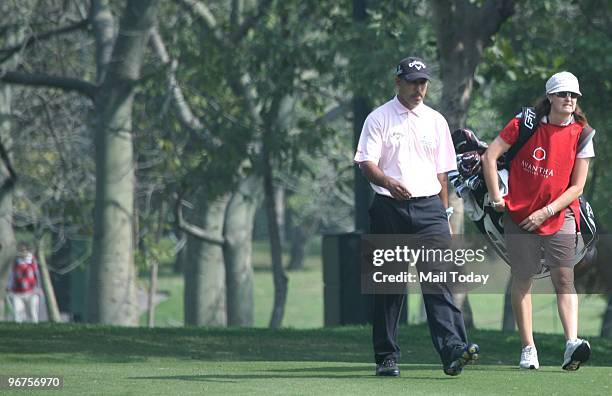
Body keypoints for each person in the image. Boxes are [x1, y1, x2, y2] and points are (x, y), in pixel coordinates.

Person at [354, 56, 479, 377]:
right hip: (388, 209)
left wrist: (445, 214)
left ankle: (453, 350)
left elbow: (441, 175)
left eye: (423, 83)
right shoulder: (378, 118)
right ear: (398, 82)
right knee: (390, 287)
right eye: (412, 82)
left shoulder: (436, 121)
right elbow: (366, 162)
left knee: (438, 281)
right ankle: (386, 357)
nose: (418, 88)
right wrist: (387, 182)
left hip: (430, 211)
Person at [482, 71, 594, 371]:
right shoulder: (524, 124)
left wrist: (547, 211)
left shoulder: (582, 134)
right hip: (518, 215)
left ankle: (572, 344)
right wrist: (496, 198)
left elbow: (577, 187)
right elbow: (490, 156)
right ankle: (528, 348)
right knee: (524, 278)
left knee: (564, 279)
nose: (568, 99)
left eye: (573, 95)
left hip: (559, 215)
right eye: (562, 94)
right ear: (550, 97)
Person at [6, 244, 41, 323]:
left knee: (32, 312)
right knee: (17, 313)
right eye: (21, 251)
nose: (23, 253)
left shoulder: (32, 261)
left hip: (32, 291)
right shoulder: (16, 262)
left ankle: (35, 329)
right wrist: (9, 286)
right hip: (18, 292)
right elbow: (12, 275)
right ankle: (18, 329)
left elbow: (37, 275)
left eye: (24, 250)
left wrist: (39, 287)